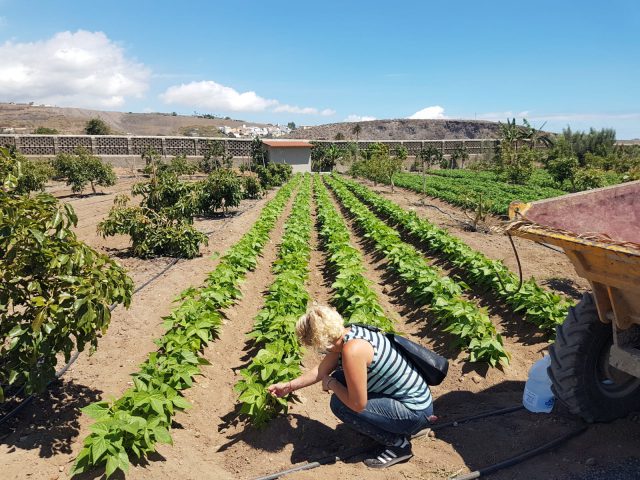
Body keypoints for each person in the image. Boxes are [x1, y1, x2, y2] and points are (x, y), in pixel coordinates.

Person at [267, 305, 434, 468]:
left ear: (324, 342)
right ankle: (396, 426)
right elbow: (320, 370)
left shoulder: (352, 351)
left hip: (414, 412)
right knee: (342, 378)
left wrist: (332, 384)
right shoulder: (350, 333)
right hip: (417, 401)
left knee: (340, 404)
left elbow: (357, 404)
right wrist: (289, 386)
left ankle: (398, 445)